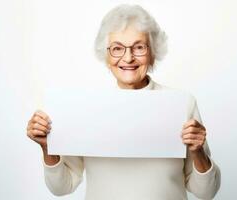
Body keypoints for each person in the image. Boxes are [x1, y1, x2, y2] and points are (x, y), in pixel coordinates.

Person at [26, 4, 221, 200]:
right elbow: (62, 187)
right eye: (117, 48)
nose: (128, 58)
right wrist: (46, 146)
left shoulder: (182, 103)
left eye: (139, 47)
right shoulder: (87, 107)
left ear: (153, 52)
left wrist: (198, 152)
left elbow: (206, 192)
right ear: (106, 55)